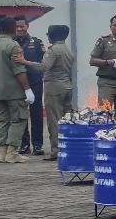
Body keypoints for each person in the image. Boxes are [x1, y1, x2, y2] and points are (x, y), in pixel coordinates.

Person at [13, 24, 72, 160]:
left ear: (52, 35)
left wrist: (24, 61)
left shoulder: (53, 50)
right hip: (67, 86)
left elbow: (43, 67)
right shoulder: (66, 49)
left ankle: (56, 150)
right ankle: (67, 147)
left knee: (54, 120)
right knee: (67, 120)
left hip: (54, 88)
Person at [0, 17, 34, 163]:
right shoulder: (14, 46)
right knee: (19, 119)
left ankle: (2, 152)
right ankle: (12, 152)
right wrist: (27, 89)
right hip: (14, 92)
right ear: (13, 29)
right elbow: (19, 70)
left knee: (2, 121)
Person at [14, 16, 45, 155]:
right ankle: (24, 145)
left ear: (27, 26)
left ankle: (38, 145)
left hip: (35, 82)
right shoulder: (11, 43)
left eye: (22, 26)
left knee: (36, 114)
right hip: (17, 83)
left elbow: (44, 62)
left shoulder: (37, 42)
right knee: (21, 115)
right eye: (17, 26)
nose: (20, 29)